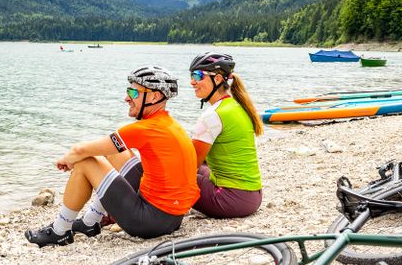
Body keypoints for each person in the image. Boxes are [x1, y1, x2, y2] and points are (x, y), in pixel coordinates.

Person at [24, 66, 200, 247]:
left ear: (154, 97)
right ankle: (90, 223)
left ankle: (59, 231)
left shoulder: (146, 129)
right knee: (113, 151)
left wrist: (67, 160)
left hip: (149, 222)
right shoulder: (168, 124)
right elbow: (104, 147)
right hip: (172, 217)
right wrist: (75, 156)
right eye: (128, 91)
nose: (127, 98)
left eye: (133, 92)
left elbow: (80, 151)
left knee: (85, 162)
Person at [188, 52, 263, 217]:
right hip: (252, 196)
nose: (192, 81)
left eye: (198, 75)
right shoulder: (236, 106)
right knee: (202, 167)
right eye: (192, 76)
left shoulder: (212, 115)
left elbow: (189, 165)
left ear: (217, 79)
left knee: (172, 172)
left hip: (231, 199)